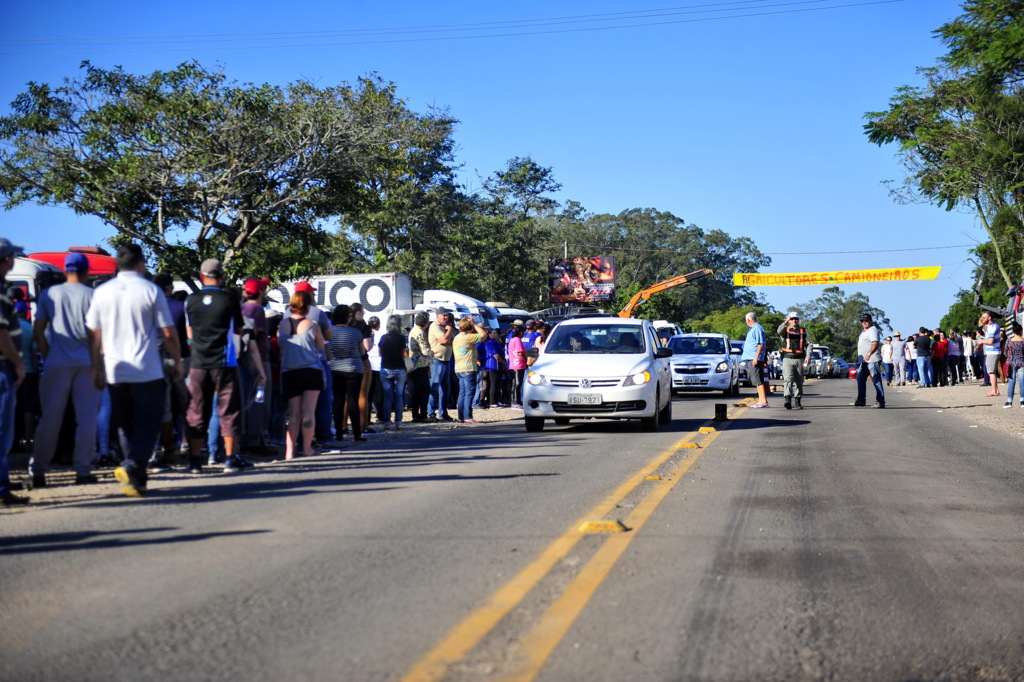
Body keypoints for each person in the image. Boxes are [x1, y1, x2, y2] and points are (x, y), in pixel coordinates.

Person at [86, 244, 184, 497]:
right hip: (146, 369)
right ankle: (131, 464)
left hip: (115, 370)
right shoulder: (150, 290)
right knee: (149, 421)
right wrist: (178, 361)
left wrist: (96, 367)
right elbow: (168, 332)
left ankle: (136, 480)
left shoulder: (102, 292)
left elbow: (94, 334)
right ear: (140, 263)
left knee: (125, 424)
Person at [27, 253, 101, 488]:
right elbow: (96, 335)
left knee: (49, 418)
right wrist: (98, 366)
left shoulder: (49, 294)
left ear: (65, 271)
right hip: (85, 363)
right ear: (86, 271)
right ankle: (82, 470)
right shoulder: (92, 295)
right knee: (86, 420)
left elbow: (38, 330)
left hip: (56, 363)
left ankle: (38, 472)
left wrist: (48, 356)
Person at [184, 259, 264, 475]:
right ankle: (230, 459)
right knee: (229, 410)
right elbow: (238, 329)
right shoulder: (228, 299)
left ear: (201, 276)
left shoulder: (191, 300)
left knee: (196, 410)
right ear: (222, 276)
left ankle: (195, 461)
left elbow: (189, 333)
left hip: (198, 361)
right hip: (224, 361)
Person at [279, 292, 325, 459]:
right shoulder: (312, 325)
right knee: (308, 412)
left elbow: (280, 345)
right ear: (307, 306)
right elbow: (320, 346)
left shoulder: (282, 325)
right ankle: (307, 448)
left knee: (293, 414)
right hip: (311, 371)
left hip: (289, 372)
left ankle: (290, 451)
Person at [0, 239, 28, 505]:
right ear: (6, 259)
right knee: (2, 429)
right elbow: (1, 334)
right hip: (2, 367)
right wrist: (18, 363)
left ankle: (3, 480)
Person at [241, 277, 273, 455]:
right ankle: (254, 440)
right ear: (261, 292)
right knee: (259, 401)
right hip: (258, 360)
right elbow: (251, 336)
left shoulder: (242, 307)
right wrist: (261, 370)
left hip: (245, 360)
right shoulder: (257, 309)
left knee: (249, 400)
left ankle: (247, 438)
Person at [328, 303, 365, 443]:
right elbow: (362, 351)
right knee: (353, 400)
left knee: (338, 400)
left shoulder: (329, 332)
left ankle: (339, 433)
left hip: (335, 368)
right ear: (348, 317)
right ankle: (357, 433)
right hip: (353, 369)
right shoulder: (355, 332)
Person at [453, 316, 487, 423]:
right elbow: (483, 335)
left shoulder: (457, 337)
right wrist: (474, 324)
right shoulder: (468, 337)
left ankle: (461, 416)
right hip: (468, 367)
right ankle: (468, 416)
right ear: (470, 327)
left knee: (462, 393)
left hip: (459, 368)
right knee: (469, 393)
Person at [378, 314, 408, 429]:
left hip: (386, 368)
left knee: (387, 396)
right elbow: (404, 353)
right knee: (399, 396)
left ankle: (387, 422)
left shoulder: (384, 338)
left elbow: (380, 353)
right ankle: (398, 421)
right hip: (399, 368)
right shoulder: (401, 338)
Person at [427, 306, 455, 422]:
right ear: (437, 316)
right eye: (444, 315)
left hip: (446, 360)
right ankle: (431, 412)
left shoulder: (444, 327)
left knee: (445, 388)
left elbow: (452, 341)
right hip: (437, 360)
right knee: (434, 387)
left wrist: (447, 337)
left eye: (447, 315)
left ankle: (443, 413)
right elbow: (443, 340)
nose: (446, 317)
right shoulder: (435, 326)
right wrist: (449, 330)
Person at [853, 313, 885, 408]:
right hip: (864, 361)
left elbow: (875, 343)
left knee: (876, 380)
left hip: (872, 360)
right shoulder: (864, 331)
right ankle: (861, 400)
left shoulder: (872, 330)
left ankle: (880, 402)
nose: (864, 322)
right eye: (862, 321)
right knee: (860, 378)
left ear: (871, 321)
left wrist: (869, 354)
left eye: (866, 320)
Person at [776, 312, 807, 410]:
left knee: (799, 381)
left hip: (799, 359)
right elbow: (779, 331)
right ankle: (788, 400)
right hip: (787, 358)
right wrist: (785, 322)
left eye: (796, 319)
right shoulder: (785, 330)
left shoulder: (803, 331)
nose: (794, 321)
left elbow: (809, 344)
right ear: (789, 320)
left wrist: (808, 356)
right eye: (792, 319)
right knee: (788, 380)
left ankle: (798, 401)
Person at [407, 312, 432, 422]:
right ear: (426, 322)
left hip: (414, 364)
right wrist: (433, 353)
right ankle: (423, 415)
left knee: (416, 391)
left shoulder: (413, 331)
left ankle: (415, 415)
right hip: (421, 364)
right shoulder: (420, 333)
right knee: (425, 390)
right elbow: (425, 351)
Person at [741, 311, 769, 408]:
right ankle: (761, 400)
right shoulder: (753, 328)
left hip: (755, 358)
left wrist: (756, 358)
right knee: (756, 380)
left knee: (758, 380)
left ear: (748, 320)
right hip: (751, 357)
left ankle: (763, 401)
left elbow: (760, 344)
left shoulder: (757, 328)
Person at [979, 311, 1001, 397]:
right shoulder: (991, 326)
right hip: (992, 351)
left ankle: (994, 391)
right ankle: (996, 390)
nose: (982, 319)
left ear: (989, 318)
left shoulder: (992, 327)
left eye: (984, 317)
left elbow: (991, 341)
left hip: (992, 351)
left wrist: (981, 341)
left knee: (991, 372)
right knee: (991, 372)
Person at [1002, 323, 1024, 408]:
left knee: (1011, 382)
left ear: (1013, 332)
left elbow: (1005, 353)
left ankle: (1009, 401)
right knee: (1022, 382)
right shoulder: (1023, 341)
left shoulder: (1009, 341)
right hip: (1022, 362)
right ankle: (1022, 401)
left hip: (1011, 363)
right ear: (1021, 331)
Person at [507, 326, 527, 408]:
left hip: (512, 363)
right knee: (518, 383)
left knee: (514, 383)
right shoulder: (517, 340)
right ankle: (516, 401)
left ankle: (513, 401)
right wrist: (526, 360)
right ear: (521, 332)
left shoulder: (512, 340)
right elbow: (520, 352)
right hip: (518, 363)